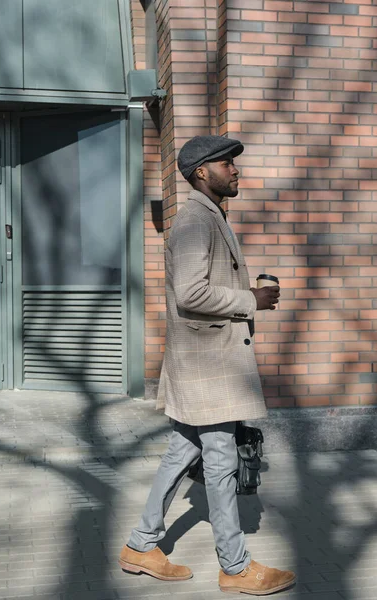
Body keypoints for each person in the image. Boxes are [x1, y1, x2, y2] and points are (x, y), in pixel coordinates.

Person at [119, 135, 296, 595]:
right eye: (226, 163)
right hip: (208, 365)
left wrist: (248, 297)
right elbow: (190, 294)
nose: (235, 170)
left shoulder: (210, 216)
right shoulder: (197, 220)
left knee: (182, 451)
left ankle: (141, 545)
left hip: (203, 362)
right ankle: (235, 568)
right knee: (220, 462)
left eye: (234, 163)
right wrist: (249, 300)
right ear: (202, 172)